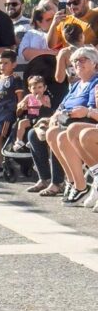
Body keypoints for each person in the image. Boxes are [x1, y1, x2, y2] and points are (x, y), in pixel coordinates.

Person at [44, 45, 98, 204]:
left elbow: (90, 109)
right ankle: (74, 182)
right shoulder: (75, 84)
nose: (78, 63)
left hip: (84, 122)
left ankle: (85, 182)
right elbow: (62, 105)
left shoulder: (95, 82)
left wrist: (86, 112)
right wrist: (54, 116)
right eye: (75, 61)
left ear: (94, 63)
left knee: (68, 133)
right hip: (72, 121)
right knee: (50, 133)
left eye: (83, 59)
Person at [0, 49, 24, 179]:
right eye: (0, 63)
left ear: (14, 64)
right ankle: (2, 162)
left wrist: (19, 112)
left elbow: (20, 97)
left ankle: (5, 165)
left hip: (7, 115)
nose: (2, 66)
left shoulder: (15, 79)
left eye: (5, 63)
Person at [13, 74, 51, 153]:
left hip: (41, 118)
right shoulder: (28, 97)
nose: (37, 90)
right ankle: (18, 141)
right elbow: (20, 104)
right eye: (34, 88)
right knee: (21, 123)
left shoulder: (46, 97)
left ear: (45, 88)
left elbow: (48, 107)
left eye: (40, 87)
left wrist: (41, 100)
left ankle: (33, 141)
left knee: (39, 127)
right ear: (30, 89)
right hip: (31, 117)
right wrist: (22, 105)